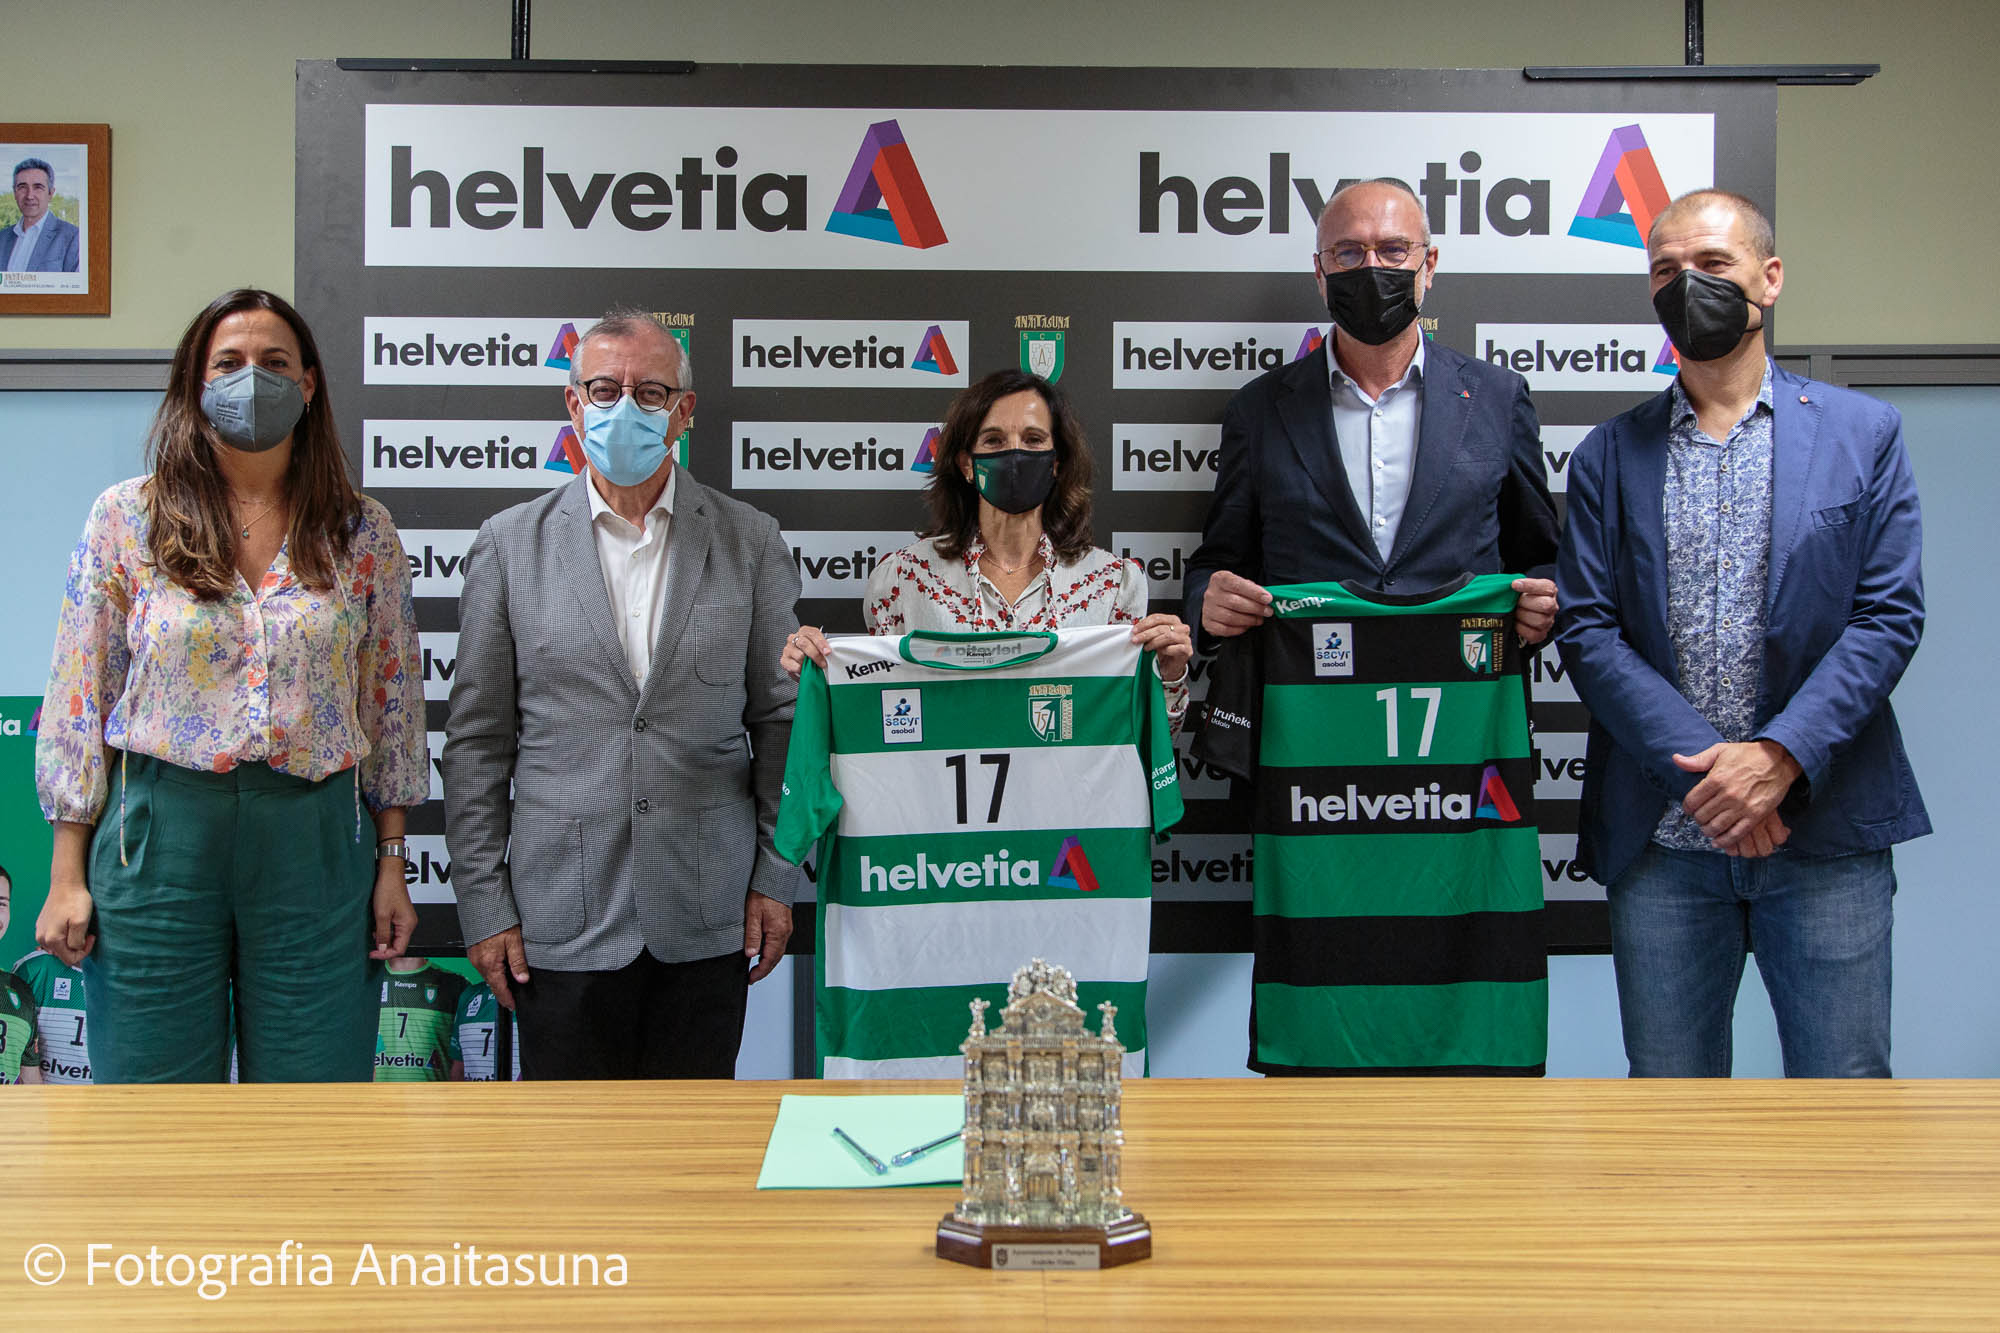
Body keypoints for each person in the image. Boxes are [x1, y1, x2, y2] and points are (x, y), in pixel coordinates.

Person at [1181, 179, 1561, 1076]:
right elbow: (1215, 561)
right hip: (1318, 778)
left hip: (1459, 774)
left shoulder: (1498, 397)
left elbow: (1546, 560)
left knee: (1467, 1005)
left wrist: (1546, 606)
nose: (1372, 268)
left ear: (1430, 266)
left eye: (1394, 251)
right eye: (1349, 253)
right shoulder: (1260, 409)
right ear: (1320, 273)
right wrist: (1207, 604)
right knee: (1323, 996)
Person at [1554, 189, 1928, 1078]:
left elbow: (1888, 616)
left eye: (1713, 264)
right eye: (1666, 270)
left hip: (1825, 833)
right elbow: (1589, 630)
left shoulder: (1864, 434)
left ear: (1771, 277)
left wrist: (1778, 759)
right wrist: (1713, 778)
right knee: (1671, 1109)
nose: (1688, 284)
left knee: (1844, 1096)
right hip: (1665, 843)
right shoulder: (1608, 453)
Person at [33, 288, 427, 1083]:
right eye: (230, 362)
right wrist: (65, 874)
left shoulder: (361, 532)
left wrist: (393, 861)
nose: (254, 377)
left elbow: (393, 705)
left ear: (308, 384)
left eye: (275, 362)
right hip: (160, 836)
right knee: (153, 1101)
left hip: (314, 837)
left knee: (315, 1099)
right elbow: (80, 694)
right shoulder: (127, 519)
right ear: (196, 381)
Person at [444, 306, 803, 1080]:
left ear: (684, 410)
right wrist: (484, 902)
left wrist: (777, 876)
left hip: (707, 914)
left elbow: (782, 723)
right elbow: (476, 743)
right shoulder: (509, 546)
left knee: (694, 1147)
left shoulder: (750, 541)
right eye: (605, 390)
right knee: (569, 1152)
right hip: (557, 920)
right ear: (574, 405)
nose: (625, 407)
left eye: (650, 393)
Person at [780, 369, 1194, 711]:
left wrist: (1171, 674)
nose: (1014, 454)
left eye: (1033, 440)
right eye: (994, 440)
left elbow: (1142, 733)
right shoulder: (903, 579)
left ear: (1056, 462)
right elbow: (878, 709)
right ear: (966, 464)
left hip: (1072, 789)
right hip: (941, 786)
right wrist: (817, 676)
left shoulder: (1113, 582)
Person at [370, 956, 466, 1082]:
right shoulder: (365, 982)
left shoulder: (455, 984)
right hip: (374, 1094)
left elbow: (463, 1064)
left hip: (433, 1094)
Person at [1, 157, 82, 273]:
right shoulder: (2, 237)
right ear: (15, 192)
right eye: (22, 187)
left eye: (38, 187)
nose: (29, 196)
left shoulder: (73, 237)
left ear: (51, 193)